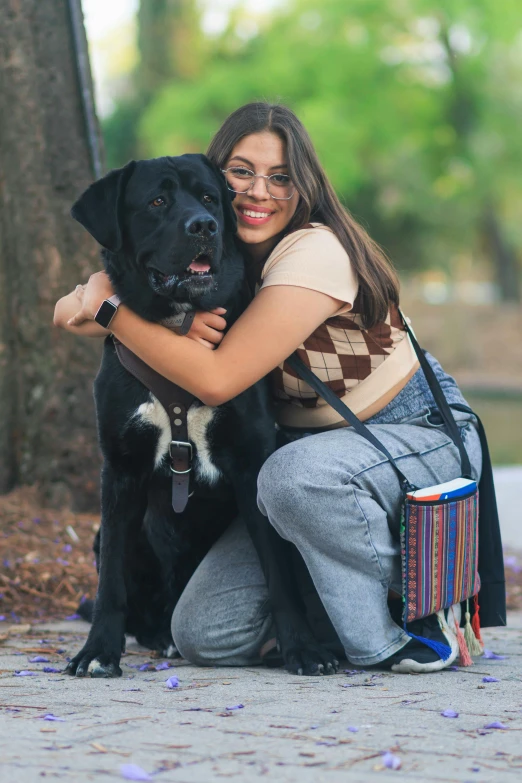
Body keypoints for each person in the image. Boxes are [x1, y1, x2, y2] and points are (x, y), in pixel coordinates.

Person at [55, 101, 490, 674]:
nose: (259, 191)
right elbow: (71, 308)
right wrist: (94, 295)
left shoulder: (314, 252)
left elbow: (216, 378)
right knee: (201, 635)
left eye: (280, 177)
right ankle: (321, 610)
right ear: (217, 178)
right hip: (319, 468)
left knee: (288, 475)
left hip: (408, 437)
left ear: (303, 186)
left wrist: (109, 307)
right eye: (242, 172)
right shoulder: (226, 260)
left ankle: (407, 616)